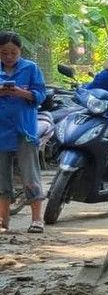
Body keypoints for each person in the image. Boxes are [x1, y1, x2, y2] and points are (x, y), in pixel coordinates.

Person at [0, 32, 46, 234]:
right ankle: (3, 221)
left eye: (13, 52)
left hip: (24, 129)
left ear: (20, 51)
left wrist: (22, 93)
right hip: (1, 129)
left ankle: (37, 219)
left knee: (30, 174)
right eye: (3, 53)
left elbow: (40, 95)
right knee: (2, 177)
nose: (9, 57)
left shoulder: (31, 68)